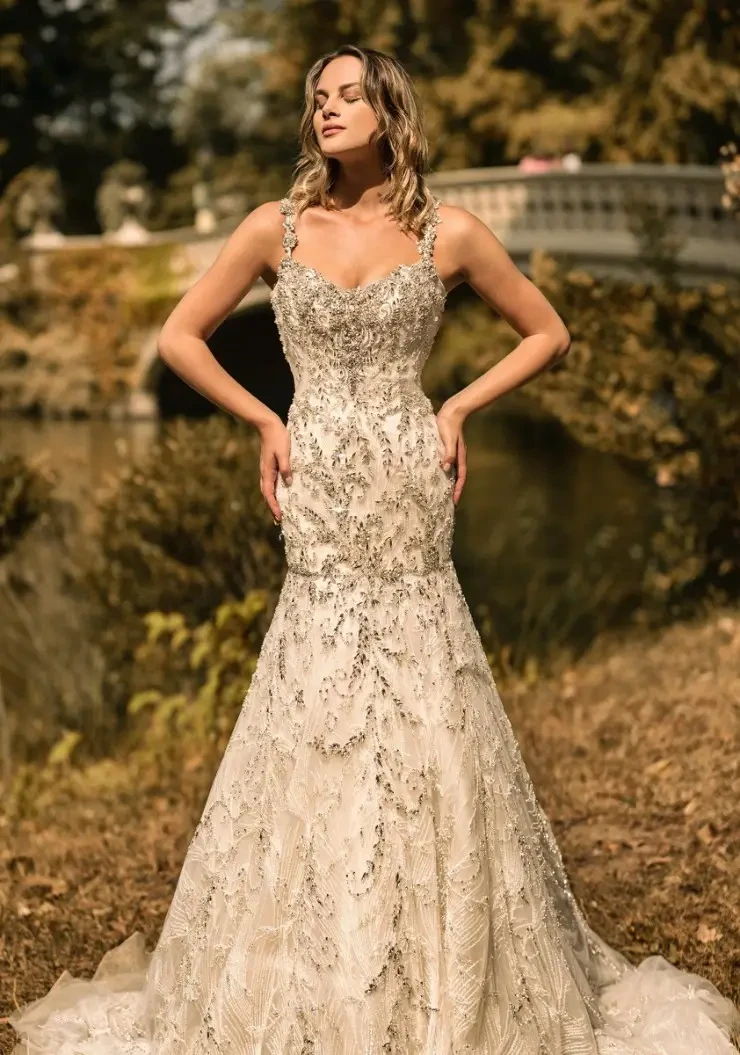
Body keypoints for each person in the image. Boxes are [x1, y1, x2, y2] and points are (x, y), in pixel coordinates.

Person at [8, 44, 740, 1055]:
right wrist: (267, 421)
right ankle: (305, 957)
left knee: (425, 691)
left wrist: (456, 405)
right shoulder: (276, 227)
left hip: (404, 482)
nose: (327, 110)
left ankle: (439, 956)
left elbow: (547, 332)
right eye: (317, 98)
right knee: (314, 689)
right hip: (319, 485)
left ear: (391, 111)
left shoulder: (450, 233)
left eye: (348, 94)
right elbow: (182, 336)